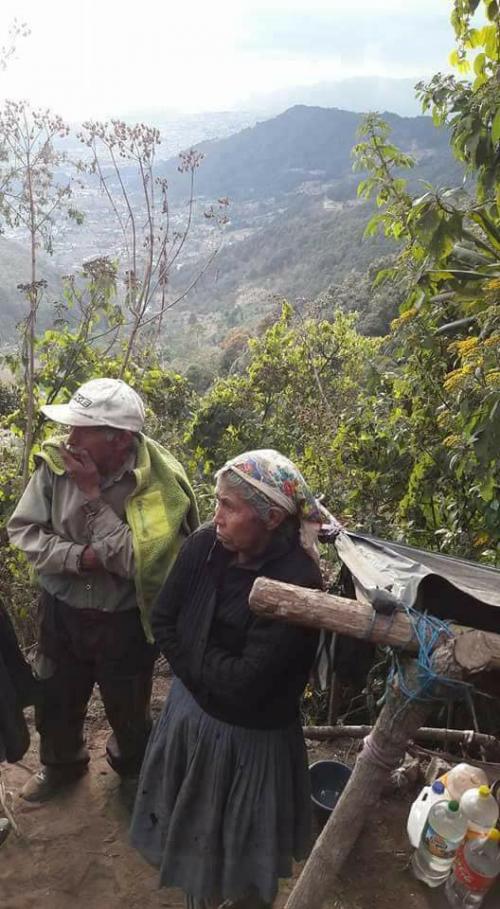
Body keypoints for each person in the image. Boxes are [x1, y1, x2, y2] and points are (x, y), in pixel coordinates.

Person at [130, 449, 325, 909]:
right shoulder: (205, 546)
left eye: (229, 507)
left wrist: (193, 655)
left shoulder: (298, 585)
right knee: (196, 845)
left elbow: (245, 686)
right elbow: (163, 621)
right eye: (216, 502)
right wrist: (208, 671)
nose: (215, 517)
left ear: (272, 517)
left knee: (240, 860)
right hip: (189, 721)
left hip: (248, 747)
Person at [7, 377, 199, 802]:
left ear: (121, 439)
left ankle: (132, 774)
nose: (69, 437)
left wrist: (93, 496)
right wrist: (80, 558)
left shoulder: (157, 485)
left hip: (125, 618)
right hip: (62, 610)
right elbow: (22, 530)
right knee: (56, 694)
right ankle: (62, 765)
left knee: (128, 704)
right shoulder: (55, 466)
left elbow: (141, 563)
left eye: (82, 429)